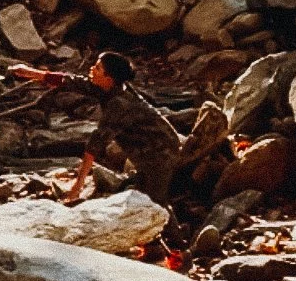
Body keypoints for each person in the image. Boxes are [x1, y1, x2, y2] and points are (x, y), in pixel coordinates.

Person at [11, 49, 182, 205]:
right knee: (143, 196)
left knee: (154, 203)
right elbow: (74, 81)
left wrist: (77, 186)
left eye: (98, 68)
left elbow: (95, 145)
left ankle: (176, 237)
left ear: (109, 78)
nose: (92, 69)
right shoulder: (109, 88)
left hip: (160, 152)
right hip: (145, 150)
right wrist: (34, 73)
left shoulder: (120, 104)